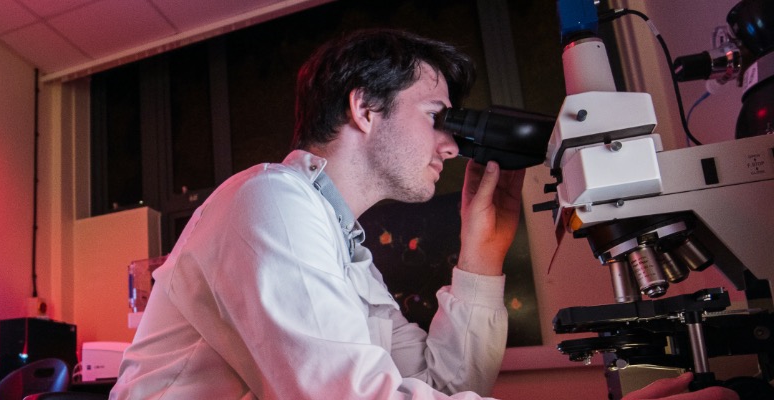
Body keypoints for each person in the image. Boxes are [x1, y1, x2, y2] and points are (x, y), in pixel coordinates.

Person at [108, 29, 737, 400]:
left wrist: (480, 255)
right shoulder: (269, 201)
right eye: (438, 116)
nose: (451, 145)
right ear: (365, 108)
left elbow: (439, 383)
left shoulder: (345, 251)